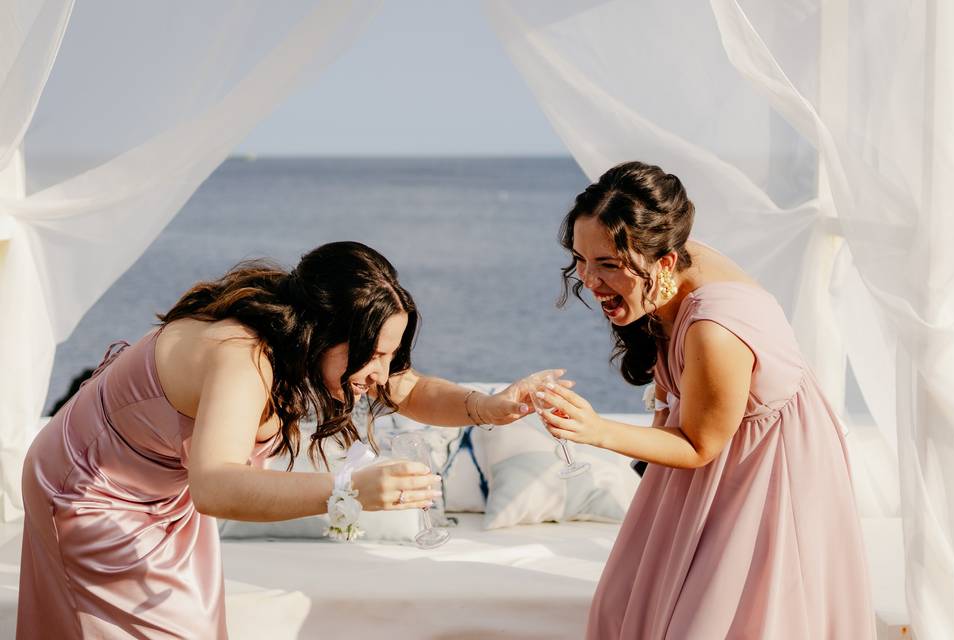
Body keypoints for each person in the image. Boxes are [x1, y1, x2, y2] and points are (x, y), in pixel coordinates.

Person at [18, 241, 554, 639]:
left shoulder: (309, 343)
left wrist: (490, 406)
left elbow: (409, 389)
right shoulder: (243, 356)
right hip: (90, 491)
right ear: (321, 331)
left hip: (161, 495)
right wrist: (348, 488)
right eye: (373, 354)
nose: (382, 372)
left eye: (390, 352)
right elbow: (215, 487)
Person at [534, 163, 875, 638]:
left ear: (665, 263)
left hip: (767, 474)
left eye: (608, 264)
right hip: (712, 465)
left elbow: (698, 445)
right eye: (581, 259)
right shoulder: (666, 262)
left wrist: (596, 431)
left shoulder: (714, 330)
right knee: (624, 601)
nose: (589, 281)